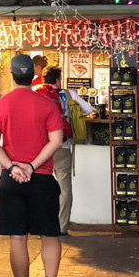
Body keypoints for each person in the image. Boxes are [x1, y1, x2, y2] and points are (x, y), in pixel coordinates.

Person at [0, 54, 67, 277]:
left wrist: (12, 167)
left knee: (18, 239)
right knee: (49, 235)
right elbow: (56, 141)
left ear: (12, 75)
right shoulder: (47, 105)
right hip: (42, 178)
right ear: (34, 76)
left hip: (12, 180)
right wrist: (32, 166)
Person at [34, 66, 94, 234]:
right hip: (62, 146)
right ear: (58, 79)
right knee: (64, 189)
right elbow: (89, 109)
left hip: (39, 149)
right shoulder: (68, 94)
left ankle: (40, 225)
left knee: (39, 187)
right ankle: (61, 227)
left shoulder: (34, 92)